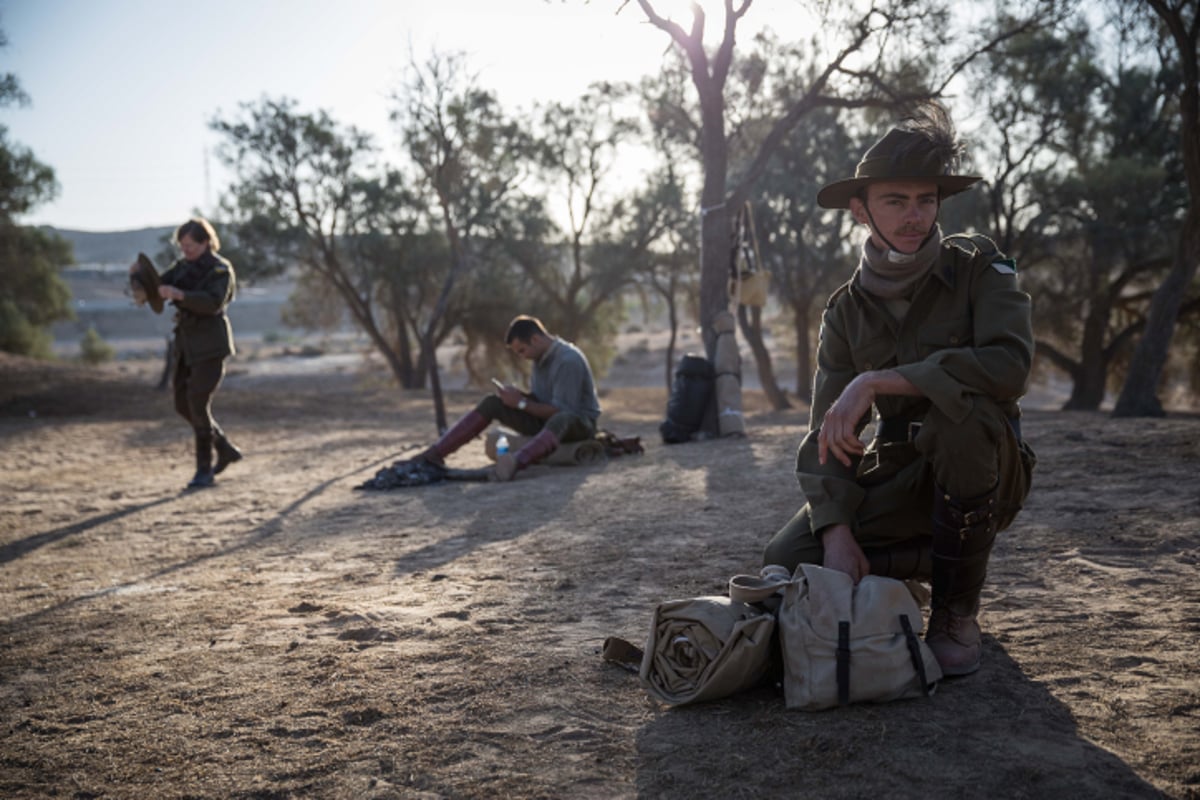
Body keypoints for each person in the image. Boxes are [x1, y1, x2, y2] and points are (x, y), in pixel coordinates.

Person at [761, 104, 1037, 676]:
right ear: (861, 211)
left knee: (958, 419)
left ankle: (957, 609)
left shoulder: (982, 270)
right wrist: (836, 532)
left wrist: (880, 379)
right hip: (899, 469)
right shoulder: (845, 311)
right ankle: (924, 565)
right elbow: (826, 431)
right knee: (789, 558)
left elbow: (1009, 365)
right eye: (896, 201)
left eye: (926, 200)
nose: (915, 217)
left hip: (981, 464)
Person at [418, 315, 601, 482]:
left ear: (535, 339)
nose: (522, 356)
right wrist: (519, 397)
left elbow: (562, 410)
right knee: (492, 402)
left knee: (561, 417)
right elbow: (540, 401)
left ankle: (514, 463)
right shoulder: (539, 360)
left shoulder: (567, 360)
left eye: (522, 350)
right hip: (548, 422)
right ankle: (433, 455)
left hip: (577, 425)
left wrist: (521, 403)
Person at [134, 217, 243, 490]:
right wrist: (139, 278)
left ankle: (203, 470)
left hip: (211, 345)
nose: (186, 250)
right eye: (182, 245)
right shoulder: (182, 267)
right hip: (186, 345)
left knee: (197, 402)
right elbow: (158, 288)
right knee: (182, 404)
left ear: (206, 242)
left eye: (191, 245)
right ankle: (224, 447)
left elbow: (213, 302)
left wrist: (181, 295)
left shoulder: (220, 270)